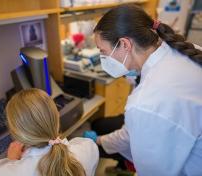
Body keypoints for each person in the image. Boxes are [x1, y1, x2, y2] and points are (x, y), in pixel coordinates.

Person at [84, 4, 202, 176]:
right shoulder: (187, 50)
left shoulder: (146, 101)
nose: (103, 58)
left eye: (103, 51)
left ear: (125, 44)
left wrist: (98, 141)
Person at [0, 88, 99, 176]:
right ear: (56, 117)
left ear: (16, 134)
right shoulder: (88, 148)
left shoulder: (1, 173)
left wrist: (11, 161)